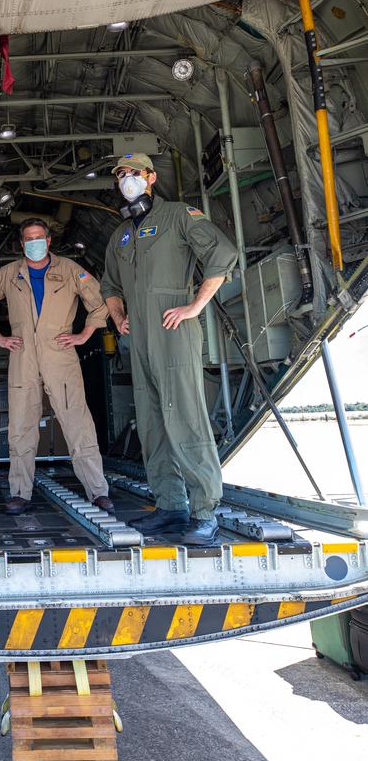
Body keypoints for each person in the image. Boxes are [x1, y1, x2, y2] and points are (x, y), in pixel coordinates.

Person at [100, 153, 238, 546]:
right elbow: (109, 285)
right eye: (121, 175)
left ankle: (204, 512)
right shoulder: (120, 234)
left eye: (134, 173)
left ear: (151, 177)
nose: (127, 180)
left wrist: (195, 306)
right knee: (152, 422)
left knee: (186, 417)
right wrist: (119, 318)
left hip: (173, 332)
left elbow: (222, 254)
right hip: (140, 338)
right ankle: (171, 506)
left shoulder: (178, 215)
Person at [0, 219, 114, 514]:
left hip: (60, 355)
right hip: (22, 356)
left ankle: (98, 491)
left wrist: (83, 335)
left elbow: (99, 303)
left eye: (39, 237)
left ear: (49, 241)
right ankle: (20, 492)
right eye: (29, 238)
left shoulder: (70, 270)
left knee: (77, 422)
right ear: (21, 244)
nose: (34, 242)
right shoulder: (8, 274)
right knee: (21, 426)